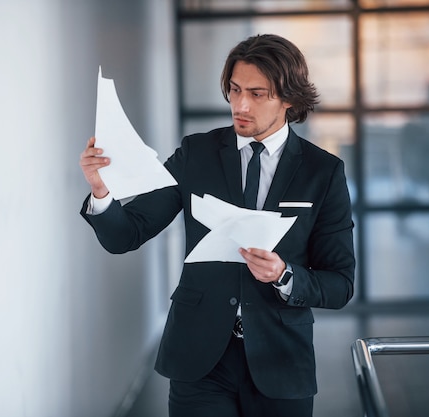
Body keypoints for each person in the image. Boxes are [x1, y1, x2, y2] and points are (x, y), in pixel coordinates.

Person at [79, 34, 355, 417]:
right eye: (235, 90)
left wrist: (285, 275)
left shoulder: (323, 173)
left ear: (289, 99)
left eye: (257, 94)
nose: (240, 105)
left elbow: (340, 284)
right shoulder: (197, 154)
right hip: (199, 359)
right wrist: (101, 192)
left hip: (280, 361)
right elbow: (127, 233)